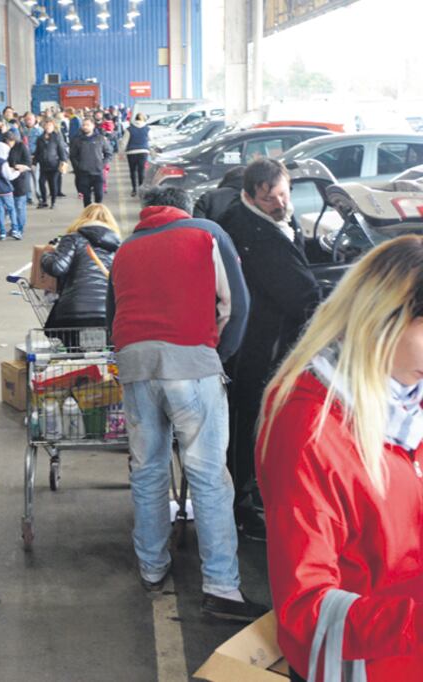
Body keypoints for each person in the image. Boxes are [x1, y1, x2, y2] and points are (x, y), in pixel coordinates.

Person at [257, 236, 423, 682]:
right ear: (382, 319)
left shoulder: (408, 397)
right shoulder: (309, 427)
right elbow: (306, 613)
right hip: (368, 666)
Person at [106, 186, 265, 622]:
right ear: (184, 207)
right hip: (191, 363)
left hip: (136, 367)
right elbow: (238, 302)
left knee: (149, 470)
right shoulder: (206, 232)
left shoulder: (125, 249)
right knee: (209, 476)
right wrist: (220, 355)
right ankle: (221, 588)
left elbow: (112, 314)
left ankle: (152, 569)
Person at [219, 159, 322, 541]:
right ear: (250, 196)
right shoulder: (256, 234)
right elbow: (299, 294)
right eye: (269, 199)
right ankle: (245, 506)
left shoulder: (264, 219)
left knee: (250, 424)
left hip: (256, 341)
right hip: (259, 346)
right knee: (252, 426)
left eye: (283, 194)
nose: (279, 203)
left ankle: (248, 498)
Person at [41, 203, 121, 337]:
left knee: (71, 351)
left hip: (72, 312)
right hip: (107, 313)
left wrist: (46, 255)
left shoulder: (73, 238)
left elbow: (57, 267)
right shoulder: (118, 245)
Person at [69, 118, 112, 206]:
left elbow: (108, 153)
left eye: (87, 125)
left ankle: (97, 215)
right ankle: (88, 216)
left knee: (99, 196)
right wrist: (78, 167)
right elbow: (72, 156)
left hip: (98, 172)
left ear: (93, 126)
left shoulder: (100, 139)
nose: (85, 127)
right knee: (86, 198)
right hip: (84, 174)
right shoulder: (77, 140)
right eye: (83, 125)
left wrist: (102, 165)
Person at [33, 118, 68, 209]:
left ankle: (53, 201)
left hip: (54, 165)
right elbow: (38, 151)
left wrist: (63, 161)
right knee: (41, 183)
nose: (48, 127)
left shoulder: (57, 137)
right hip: (43, 165)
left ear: (53, 127)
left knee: (53, 184)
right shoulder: (40, 138)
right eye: (46, 125)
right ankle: (44, 201)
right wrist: (34, 161)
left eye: (50, 125)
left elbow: (61, 150)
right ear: (44, 126)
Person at [6, 130, 32, 239]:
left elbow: (28, 163)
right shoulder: (6, 148)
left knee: (20, 206)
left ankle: (19, 229)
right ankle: (15, 227)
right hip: (11, 180)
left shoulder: (21, 147)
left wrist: (16, 167)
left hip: (21, 180)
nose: (8, 144)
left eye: (9, 142)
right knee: (13, 207)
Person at [122, 113, 151, 196]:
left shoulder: (129, 129)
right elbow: (151, 140)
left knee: (132, 170)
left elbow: (124, 142)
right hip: (144, 151)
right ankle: (141, 189)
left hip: (131, 152)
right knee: (141, 171)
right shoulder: (147, 129)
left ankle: (134, 189)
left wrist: (121, 153)